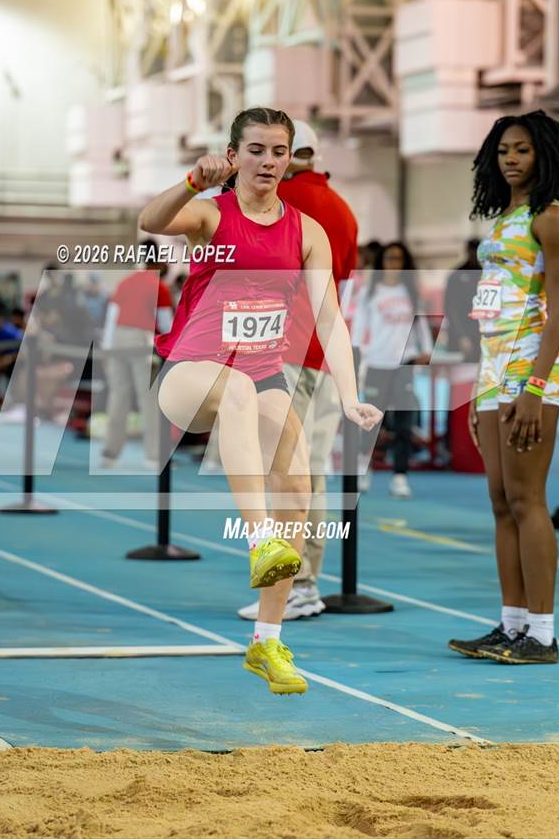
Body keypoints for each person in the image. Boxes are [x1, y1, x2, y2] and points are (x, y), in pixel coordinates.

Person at [139, 106, 382, 695]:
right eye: (255, 150)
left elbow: (330, 319)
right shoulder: (210, 215)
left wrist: (350, 395)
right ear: (234, 154)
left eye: (278, 151)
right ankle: (258, 537)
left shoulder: (308, 232)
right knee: (242, 391)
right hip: (192, 374)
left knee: (298, 486)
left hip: (263, 375)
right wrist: (192, 180)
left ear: (292, 156)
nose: (268, 161)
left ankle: (267, 644)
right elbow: (149, 220)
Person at [448, 109, 559, 665]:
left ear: (544, 154)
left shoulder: (552, 217)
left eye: (522, 150)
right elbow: (489, 312)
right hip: (497, 370)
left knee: (526, 499)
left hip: (532, 370)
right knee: (500, 502)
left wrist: (535, 385)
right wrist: (480, 387)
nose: (512, 160)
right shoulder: (503, 220)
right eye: (503, 152)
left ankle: (542, 636)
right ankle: (511, 624)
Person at [237, 119, 359, 621]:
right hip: (323, 352)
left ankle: (298, 584)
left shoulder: (285, 205)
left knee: (286, 471)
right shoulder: (343, 210)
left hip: (285, 349)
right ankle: (304, 581)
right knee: (308, 471)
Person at [351, 241, 433, 498]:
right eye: (389, 259)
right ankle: (365, 471)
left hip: (404, 364)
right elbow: (357, 331)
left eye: (398, 259)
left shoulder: (410, 292)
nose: (393, 264)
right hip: (377, 363)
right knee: (372, 422)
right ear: (382, 263)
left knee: (403, 423)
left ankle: (399, 476)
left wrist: (426, 349)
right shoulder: (370, 293)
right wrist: (355, 356)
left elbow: (419, 325)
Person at [100, 241, 174, 468]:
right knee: (149, 399)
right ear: (158, 259)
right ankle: (153, 455)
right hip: (140, 341)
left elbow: (111, 318)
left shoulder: (125, 283)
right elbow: (166, 323)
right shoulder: (158, 286)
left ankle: (109, 455)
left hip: (118, 340)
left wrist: (107, 348)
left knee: (118, 397)